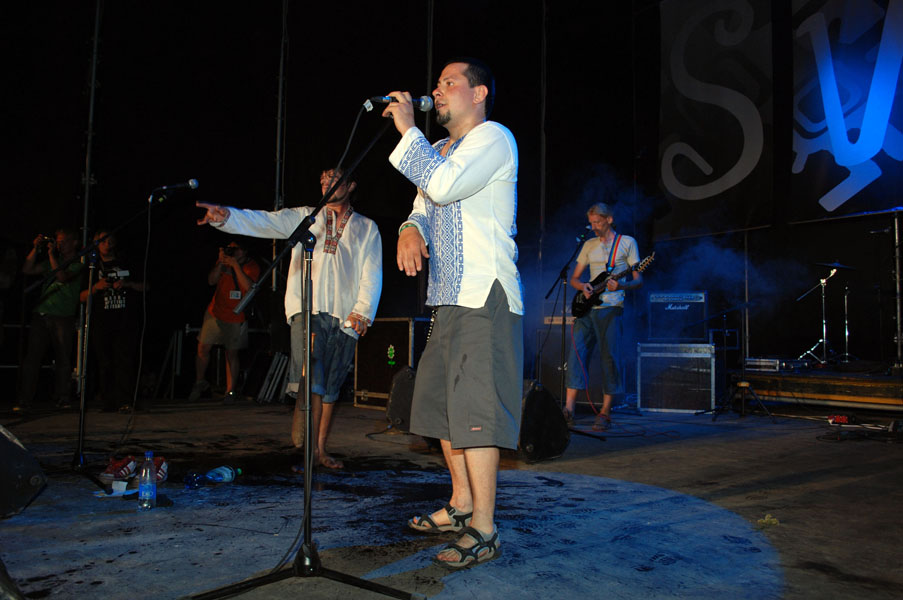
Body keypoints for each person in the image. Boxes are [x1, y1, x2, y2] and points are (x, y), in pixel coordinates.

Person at [383, 57, 523, 569]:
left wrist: (406, 128)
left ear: (479, 93)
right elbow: (424, 204)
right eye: (437, 83)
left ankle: (485, 528)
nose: (437, 90)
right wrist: (408, 228)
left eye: (449, 82)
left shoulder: (493, 138)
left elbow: (442, 186)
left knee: (476, 413)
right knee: (441, 407)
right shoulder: (440, 150)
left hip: (484, 295)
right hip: (447, 297)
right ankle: (462, 502)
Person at [196, 167, 382, 469]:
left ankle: (319, 450)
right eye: (322, 179)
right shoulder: (305, 217)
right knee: (312, 382)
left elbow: (372, 271)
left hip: (345, 315)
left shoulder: (366, 227)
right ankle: (308, 451)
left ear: (350, 186)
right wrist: (227, 217)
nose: (326, 182)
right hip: (306, 309)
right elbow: (265, 221)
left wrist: (362, 310)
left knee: (330, 387)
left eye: (334, 178)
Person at [563, 203, 643, 431]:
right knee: (576, 354)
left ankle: (605, 411)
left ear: (609, 219)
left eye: (597, 222)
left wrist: (622, 285)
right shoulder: (589, 245)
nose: (594, 227)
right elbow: (574, 278)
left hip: (611, 307)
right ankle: (569, 409)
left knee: (609, 357)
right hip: (588, 308)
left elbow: (638, 280)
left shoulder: (627, 243)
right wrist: (584, 287)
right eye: (591, 223)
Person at [15, 229, 84, 412]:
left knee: (63, 358)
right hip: (42, 313)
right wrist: (36, 249)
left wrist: (52, 255)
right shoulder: (52, 261)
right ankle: (25, 399)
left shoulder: (78, 263)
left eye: (64, 241)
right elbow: (27, 269)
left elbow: (62, 277)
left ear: (74, 242)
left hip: (63, 316)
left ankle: (62, 397)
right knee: (32, 358)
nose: (60, 245)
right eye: (58, 241)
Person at [80, 230, 148, 412]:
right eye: (102, 241)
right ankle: (108, 401)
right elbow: (81, 296)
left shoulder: (126, 263)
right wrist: (96, 287)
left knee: (124, 360)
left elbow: (146, 285)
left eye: (109, 240)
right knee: (104, 361)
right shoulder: (92, 268)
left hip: (125, 319)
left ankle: (125, 400)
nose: (106, 244)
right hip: (102, 320)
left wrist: (127, 284)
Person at [188, 240, 261, 403]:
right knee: (203, 347)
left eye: (237, 249)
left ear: (245, 251)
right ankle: (199, 382)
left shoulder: (252, 266)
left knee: (231, 353)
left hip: (236, 315)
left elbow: (249, 287)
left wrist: (235, 266)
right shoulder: (224, 262)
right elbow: (211, 281)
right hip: (215, 312)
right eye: (231, 249)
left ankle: (230, 391)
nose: (234, 252)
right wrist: (221, 263)